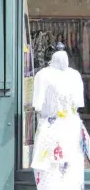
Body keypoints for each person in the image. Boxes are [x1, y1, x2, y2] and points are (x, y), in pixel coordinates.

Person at [31, 43, 86, 190]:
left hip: (65, 132)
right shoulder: (43, 75)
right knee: (50, 177)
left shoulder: (74, 75)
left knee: (71, 178)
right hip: (57, 132)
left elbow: (37, 105)